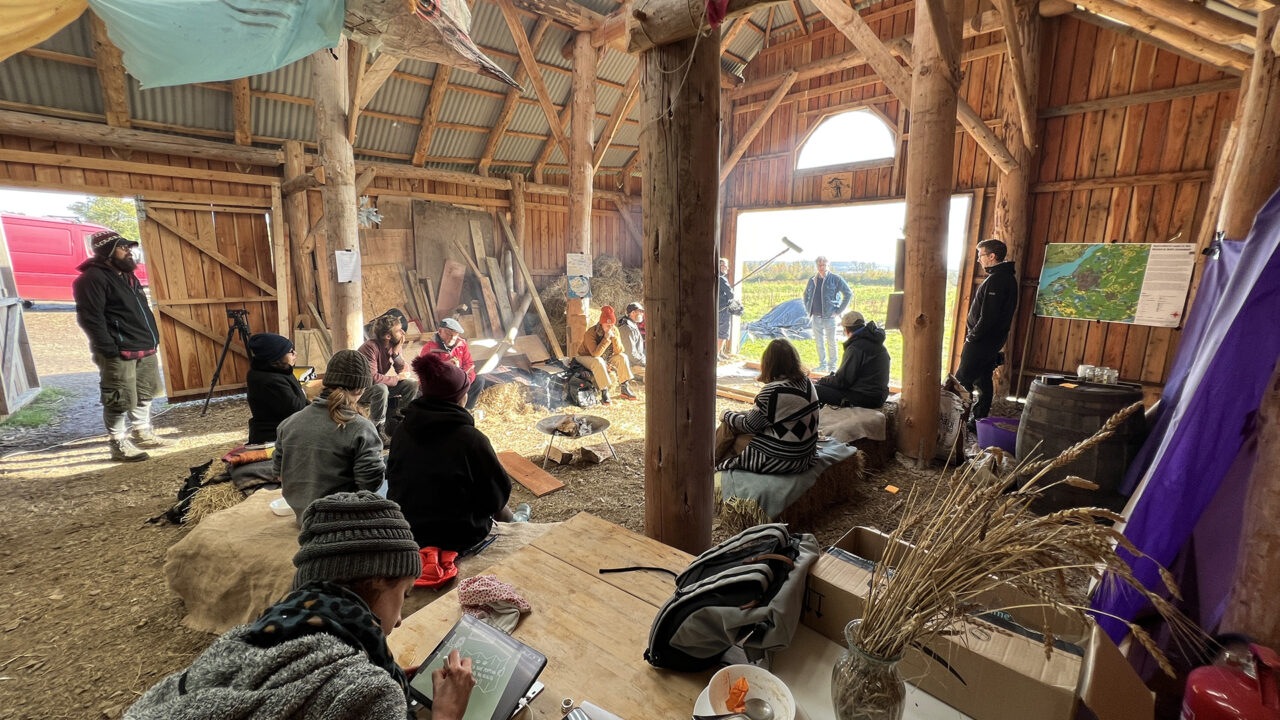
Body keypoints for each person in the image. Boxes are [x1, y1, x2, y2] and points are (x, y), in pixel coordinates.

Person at [123, 491, 477, 720]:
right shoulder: (366, 693)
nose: (400, 620)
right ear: (379, 582)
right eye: (404, 595)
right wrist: (447, 713)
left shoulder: (248, 637)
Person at [387, 353, 515, 553]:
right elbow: (496, 498)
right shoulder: (470, 439)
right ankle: (518, 524)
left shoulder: (402, 430)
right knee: (502, 509)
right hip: (459, 537)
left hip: (409, 531)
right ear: (459, 398)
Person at [72, 229, 172, 462]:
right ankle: (118, 441)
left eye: (129, 248)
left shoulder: (128, 276)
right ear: (108, 251)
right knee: (118, 397)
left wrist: (152, 339)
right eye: (123, 247)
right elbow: (91, 318)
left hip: (143, 345)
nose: (129, 252)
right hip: (118, 350)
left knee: (144, 392)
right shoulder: (92, 279)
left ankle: (142, 432)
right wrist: (108, 348)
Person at [274, 349, 385, 522]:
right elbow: (370, 485)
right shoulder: (360, 427)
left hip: (303, 515)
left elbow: (280, 475)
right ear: (360, 389)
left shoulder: (288, 423)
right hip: (342, 517)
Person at [716, 339, 819, 474]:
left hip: (783, 459)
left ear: (768, 363)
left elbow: (749, 425)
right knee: (735, 417)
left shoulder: (773, 391)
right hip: (806, 454)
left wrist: (725, 414)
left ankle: (706, 463)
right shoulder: (805, 382)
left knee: (728, 424)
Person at [955, 238, 1018, 421]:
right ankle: (978, 420)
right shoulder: (1004, 278)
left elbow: (989, 317)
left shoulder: (998, 280)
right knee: (983, 380)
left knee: (962, 381)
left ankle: (958, 420)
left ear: (992, 256)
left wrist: (972, 337)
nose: (978, 259)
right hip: (991, 341)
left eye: (980, 255)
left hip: (982, 341)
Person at [358, 314, 420, 439]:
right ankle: (377, 427)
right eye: (398, 330)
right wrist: (396, 379)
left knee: (411, 383)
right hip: (360, 390)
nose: (403, 332)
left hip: (377, 387)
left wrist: (396, 355)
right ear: (387, 336)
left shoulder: (394, 346)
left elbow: (404, 371)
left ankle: (400, 420)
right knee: (381, 388)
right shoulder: (370, 347)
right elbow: (373, 379)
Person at [815, 311, 891, 409]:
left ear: (846, 330)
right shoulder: (875, 341)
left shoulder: (856, 347)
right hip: (878, 396)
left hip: (865, 398)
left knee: (815, 390)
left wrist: (823, 381)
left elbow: (842, 381)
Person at [245, 333, 307, 445]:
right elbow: (297, 409)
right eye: (291, 351)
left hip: (286, 428)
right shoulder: (268, 379)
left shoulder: (281, 371)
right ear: (277, 356)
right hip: (273, 436)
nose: (295, 354)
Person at [420, 317, 493, 410]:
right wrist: (445, 365)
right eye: (448, 334)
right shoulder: (429, 348)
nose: (452, 338)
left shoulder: (461, 344)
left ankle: (466, 411)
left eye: (455, 335)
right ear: (440, 331)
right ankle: (450, 411)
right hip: (440, 384)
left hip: (460, 381)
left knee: (479, 380)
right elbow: (425, 373)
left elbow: (469, 364)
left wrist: (465, 381)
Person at [802, 256, 854, 374]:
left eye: (824, 265)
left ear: (828, 266)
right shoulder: (812, 280)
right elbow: (806, 295)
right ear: (817, 266)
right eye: (819, 265)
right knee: (819, 342)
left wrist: (838, 311)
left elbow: (848, 293)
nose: (821, 268)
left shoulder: (835, 279)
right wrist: (808, 308)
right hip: (816, 317)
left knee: (831, 342)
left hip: (830, 317)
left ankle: (832, 367)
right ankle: (822, 365)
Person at [575, 305, 636, 404]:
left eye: (612, 325)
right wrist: (606, 339)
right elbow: (595, 354)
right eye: (607, 325)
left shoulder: (614, 330)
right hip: (586, 357)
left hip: (605, 357)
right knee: (598, 361)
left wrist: (614, 338)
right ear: (601, 323)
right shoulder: (591, 332)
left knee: (623, 357)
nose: (610, 327)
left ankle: (625, 387)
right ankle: (604, 392)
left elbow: (619, 351)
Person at [617, 302, 646, 371]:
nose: (642, 314)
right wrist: (644, 362)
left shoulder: (632, 325)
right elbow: (630, 354)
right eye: (640, 311)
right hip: (631, 364)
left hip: (635, 361)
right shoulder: (627, 329)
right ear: (633, 313)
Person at [717, 258, 735, 361]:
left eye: (726, 266)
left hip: (716, 310)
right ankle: (716, 355)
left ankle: (720, 352)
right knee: (723, 333)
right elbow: (730, 294)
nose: (726, 268)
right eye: (724, 266)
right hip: (723, 309)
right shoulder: (722, 279)